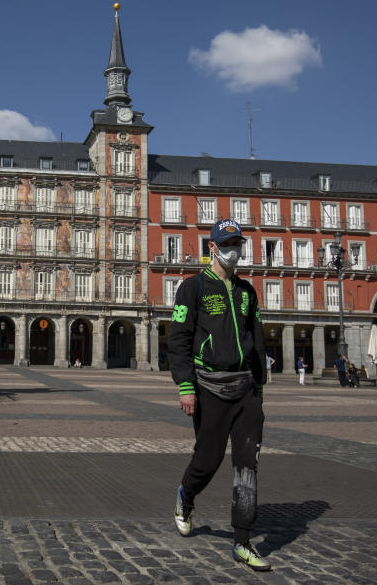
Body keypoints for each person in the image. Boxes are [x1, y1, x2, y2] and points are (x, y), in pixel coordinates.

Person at [168, 218, 271, 571]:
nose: (235, 251)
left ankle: (242, 540)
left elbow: (256, 338)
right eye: (228, 244)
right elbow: (178, 340)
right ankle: (186, 495)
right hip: (209, 388)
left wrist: (259, 384)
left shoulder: (247, 292)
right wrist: (185, 385)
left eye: (238, 244)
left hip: (246, 390)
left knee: (248, 465)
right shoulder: (192, 288)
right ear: (212, 247)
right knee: (207, 460)